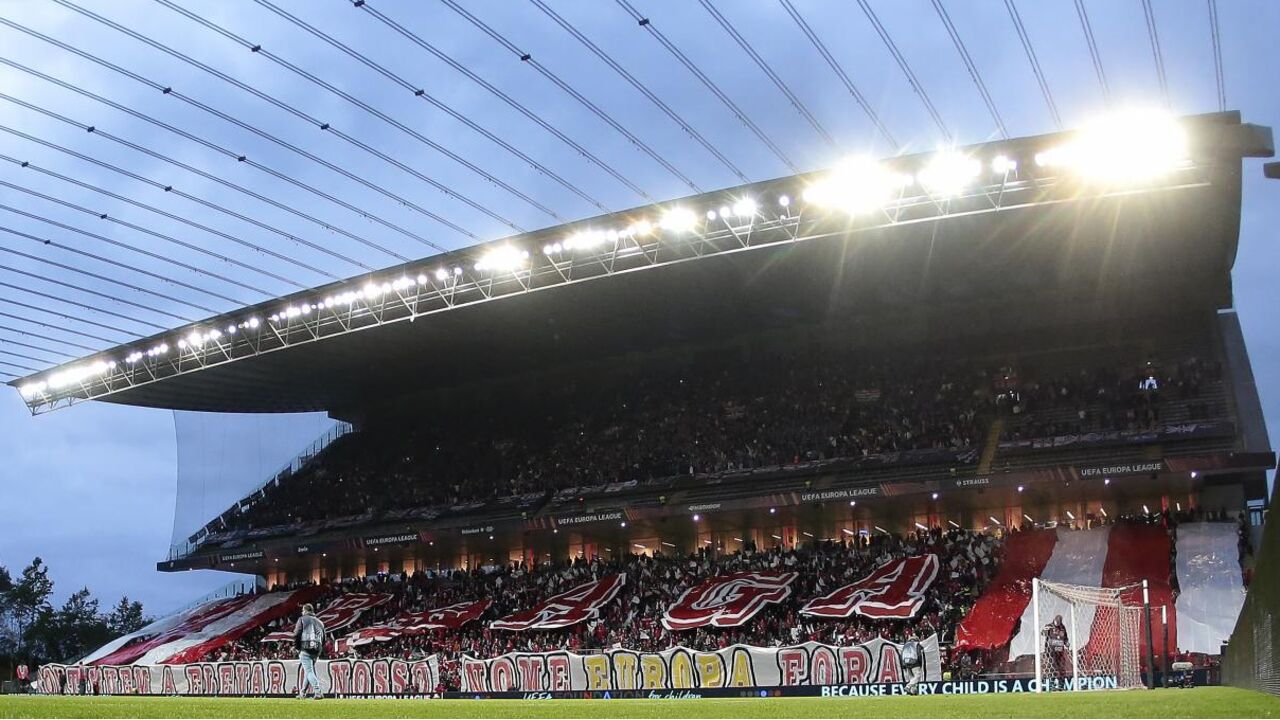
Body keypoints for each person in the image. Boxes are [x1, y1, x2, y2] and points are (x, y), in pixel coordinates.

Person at [293, 604, 326, 699]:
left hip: (305, 648)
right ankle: (302, 693)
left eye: (302, 611)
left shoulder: (302, 619)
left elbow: (297, 634)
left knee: (309, 671)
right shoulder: (320, 622)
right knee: (309, 671)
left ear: (305, 611)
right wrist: (319, 648)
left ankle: (318, 691)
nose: (302, 612)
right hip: (317, 650)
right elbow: (324, 638)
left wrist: (297, 647)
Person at [1042, 614, 1070, 691]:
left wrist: (1066, 643)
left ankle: (1061, 684)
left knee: (1061, 667)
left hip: (1060, 651)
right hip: (1051, 651)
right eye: (1057, 622)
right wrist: (1045, 630)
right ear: (1054, 620)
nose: (1058, 624)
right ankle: (1052, 683)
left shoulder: (1062, 627)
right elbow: (1042, 633)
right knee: (1053, 667)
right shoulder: (1049, 626)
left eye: (1059, 623)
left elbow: (1065, 638)